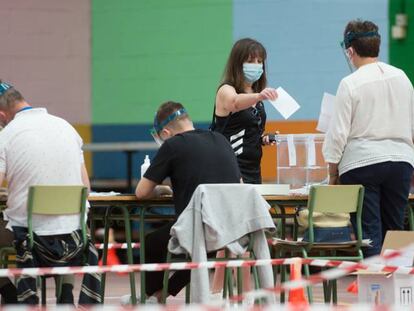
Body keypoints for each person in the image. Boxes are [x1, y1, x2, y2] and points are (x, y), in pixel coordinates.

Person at [0, 80, 101, 304]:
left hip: (29, 235)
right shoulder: (67, 127)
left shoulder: (6, 135)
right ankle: (65, 293)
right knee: (61, 222)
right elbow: (86, 187)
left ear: (2, 116)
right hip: (75, 236)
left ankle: (10, 294)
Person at [323, 20, 414, 257]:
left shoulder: (350, 83)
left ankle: (373, 291)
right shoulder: (402, 77)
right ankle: (397, 289)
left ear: (350, 50)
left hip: (362, 163)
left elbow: (338, 134)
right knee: (395, 231)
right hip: (401, 162)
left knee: (369, 233)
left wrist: (333, 174)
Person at [135, 101, 241, 303]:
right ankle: (161, 293)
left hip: (198, 231)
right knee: (203, 250)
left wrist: (163, 189)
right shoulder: (221, 139)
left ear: (165, 133)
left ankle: (151, 297)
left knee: (151, 242)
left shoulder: (173, 145)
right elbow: (240, 183)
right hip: (229, 230)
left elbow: (141, 192)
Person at [211, 38, 278, 184]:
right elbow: (234, 103)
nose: (256, 66)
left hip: (253, 170)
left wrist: (262, 139)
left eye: (260, 61)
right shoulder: (226, 90)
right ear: (238, 63)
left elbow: (245, 131)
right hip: (230, 170)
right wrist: (258, 96)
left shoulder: (256, 95)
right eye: (250, 61)